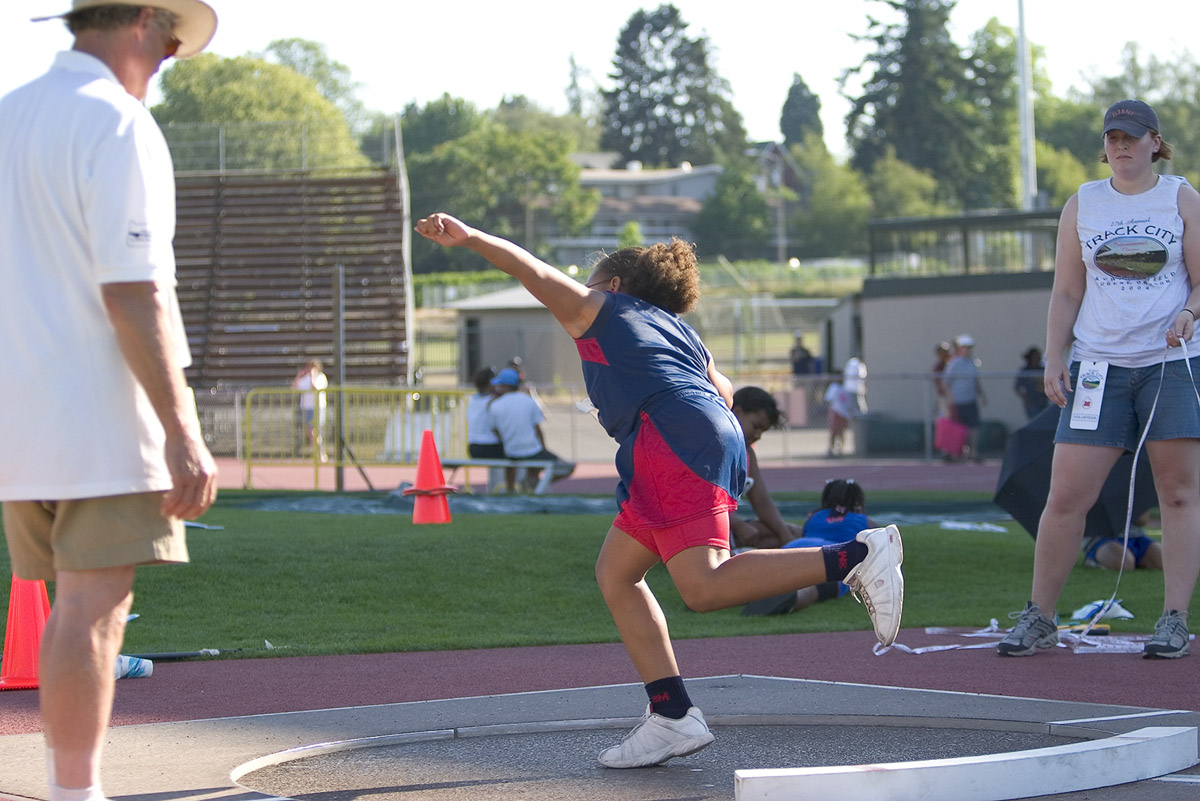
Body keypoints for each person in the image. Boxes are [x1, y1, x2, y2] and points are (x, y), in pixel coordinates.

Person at [415, 212, 903, 768]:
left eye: (592, 283)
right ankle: (671, 714)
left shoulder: (602, 309)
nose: (582, 293)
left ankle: (856, 556)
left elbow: (533, 271)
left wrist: (471, 238)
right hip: (692, 434)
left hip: (667, 439)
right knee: (616, 573)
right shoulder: (678, 330)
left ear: (614, 285)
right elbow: (723, 391)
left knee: (704, 586)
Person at [0, 3, 219, 800]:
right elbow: (133, 291)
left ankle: (71, 788)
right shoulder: (119, 123)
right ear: (142, 23)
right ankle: (75, 791)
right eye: (170, 41)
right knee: (94, 607)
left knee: (70, 606)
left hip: (18, 410)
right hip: (97, 406)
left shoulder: (9, 114)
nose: (169, 58)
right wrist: (182, 429)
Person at [998, 99, 1200, 660]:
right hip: (1097, 367)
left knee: (1178, 494)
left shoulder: (1182, 198)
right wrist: (1054, 356)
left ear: (1155, 142)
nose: (1121, 145)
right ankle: (1040, 616)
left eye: (1132, 136)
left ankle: (1174, 620)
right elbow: (1067, 290)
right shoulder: (1082, 203)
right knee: (1065, 496)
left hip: (1170, 364)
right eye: (1113, 137)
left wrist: (1190, 312)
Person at [743, 479, 875, 615]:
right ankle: (793, 597)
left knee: (776, 573)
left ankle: (752, 589)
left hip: (796, 549)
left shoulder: (815, 517)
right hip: (834, 557)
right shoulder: (864, 521)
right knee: (812, 588)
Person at [726, 387, 805, 550]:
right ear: (737, 412)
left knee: (795, 533)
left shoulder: (747, 453)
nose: (758, 435)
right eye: (756, 426)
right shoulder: (717, 447)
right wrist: (738, 525)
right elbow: (703, 503)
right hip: (708, 528)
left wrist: (785, 536)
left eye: (762, 431)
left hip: (729, 527)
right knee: (779, 539)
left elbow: (761, 501)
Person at [486, 367, 574, 492]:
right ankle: (535, 483)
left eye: (500, 385)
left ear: (505, 386)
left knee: (512, 464)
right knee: (568, 467)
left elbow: (494, 429)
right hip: (532, 451)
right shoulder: (528, 400)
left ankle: (511, 491)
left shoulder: (494, 405)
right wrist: (543, 449)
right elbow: (538, 429)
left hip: (511, 452)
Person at [943, 334, 986, 462]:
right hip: (957, 402)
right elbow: (946, 383)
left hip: (970, 401)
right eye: (964, 347)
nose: (967, 350)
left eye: (969, 347)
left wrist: (982, 395)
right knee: (956, 428)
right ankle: (955, 453)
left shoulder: (973, 363)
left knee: (973, 427)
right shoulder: (954, 364)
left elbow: (976, 381)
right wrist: (949, 399)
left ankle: (973, 453)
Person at [292, 358, 328, 461]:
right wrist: (298, 377)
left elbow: (314, 388)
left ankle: (321, 453)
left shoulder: (321, 377)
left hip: (318, 407)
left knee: (316, 431)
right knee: (310, 432)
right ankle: (318, 451)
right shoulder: (305, 379)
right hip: (307, 407)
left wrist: (313, 377)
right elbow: (294, 388)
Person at [1014, 346, 1049, 420]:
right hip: (1032, 401)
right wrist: (1025, 398)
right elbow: (1017, 387)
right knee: (1035, 420)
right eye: (1036, 357)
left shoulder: (1043, 370)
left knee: (1045, 419)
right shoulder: (1025, 371)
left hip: (1043, 400)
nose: (1038, 359)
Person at [824, 378, 854, 457]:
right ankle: (830, 449)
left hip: (844, 413)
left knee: (841, 432)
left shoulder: (847, 388)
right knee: (834, 432)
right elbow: (828, 399)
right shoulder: (835, 387)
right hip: (836, 412)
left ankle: (840, 450)